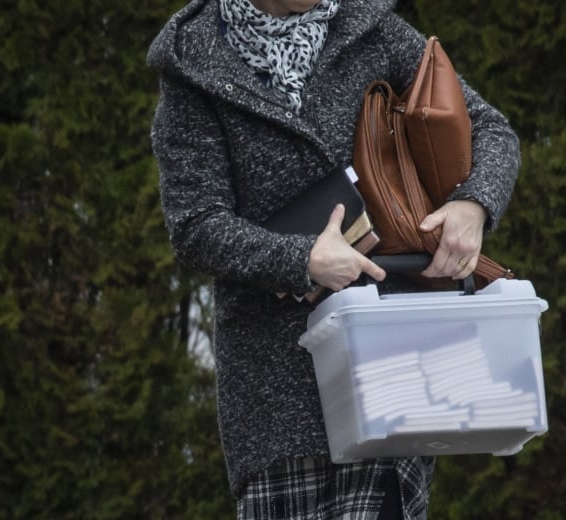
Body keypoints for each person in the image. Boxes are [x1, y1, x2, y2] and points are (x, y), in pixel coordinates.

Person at [147, 0, 520, 518]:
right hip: (276, 401)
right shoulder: (194, 60)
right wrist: (301, 257)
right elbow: (196, 225)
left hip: (390, 373)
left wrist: (473, 203)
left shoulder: (372, 28)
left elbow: (489, 129)